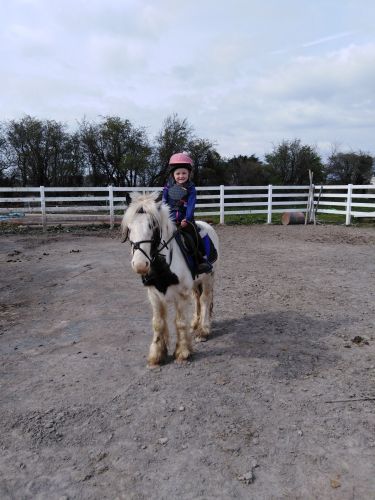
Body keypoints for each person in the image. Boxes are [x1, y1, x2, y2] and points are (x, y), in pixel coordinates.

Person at [162, 153, 212, 274]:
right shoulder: (168, 187)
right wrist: (164, 217)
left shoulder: (191, 189)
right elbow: (164, 202)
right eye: (178, 173)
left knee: (195, 234)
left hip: (185, 220)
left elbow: (191, 205)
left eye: (184, 173)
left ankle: (201, 260)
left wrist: (187, 219)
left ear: (188, 174)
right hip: (170, 219)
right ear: (173, 175)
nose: (181, 176)